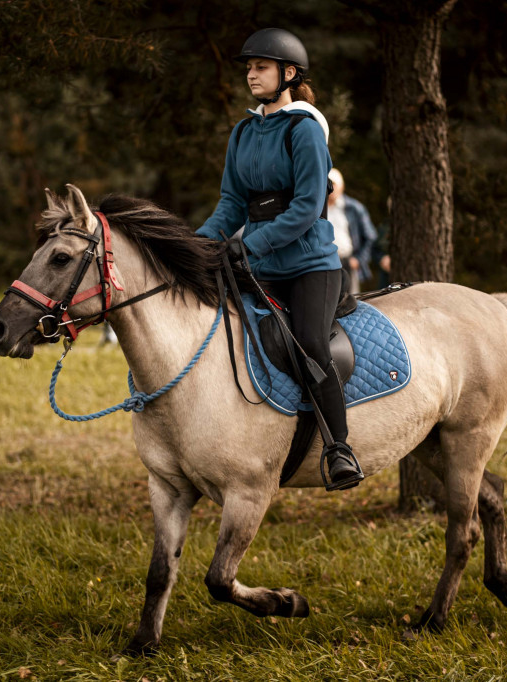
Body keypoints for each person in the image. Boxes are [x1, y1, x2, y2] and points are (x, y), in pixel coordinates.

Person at [196, 28, 364, 490]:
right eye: (248, 67)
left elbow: (308, 207)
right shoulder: (244, 131)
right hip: (259, 263)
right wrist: (198, 245)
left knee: (310, 339)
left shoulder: (304, 129)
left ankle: (338, 448)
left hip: (311, 264)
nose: (251, 74)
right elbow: (231, 204)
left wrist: (250, 244)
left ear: (288, 74)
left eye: (261, 67)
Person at [328, 168, 378, 294]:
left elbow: (370, 236)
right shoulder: (316, 209)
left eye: (333, 184)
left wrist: (359, 259)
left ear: (341, 186)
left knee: (352, 300)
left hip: (347, 263)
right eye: (327, 184)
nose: (330, 187)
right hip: (325, 263)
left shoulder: (354, 208)